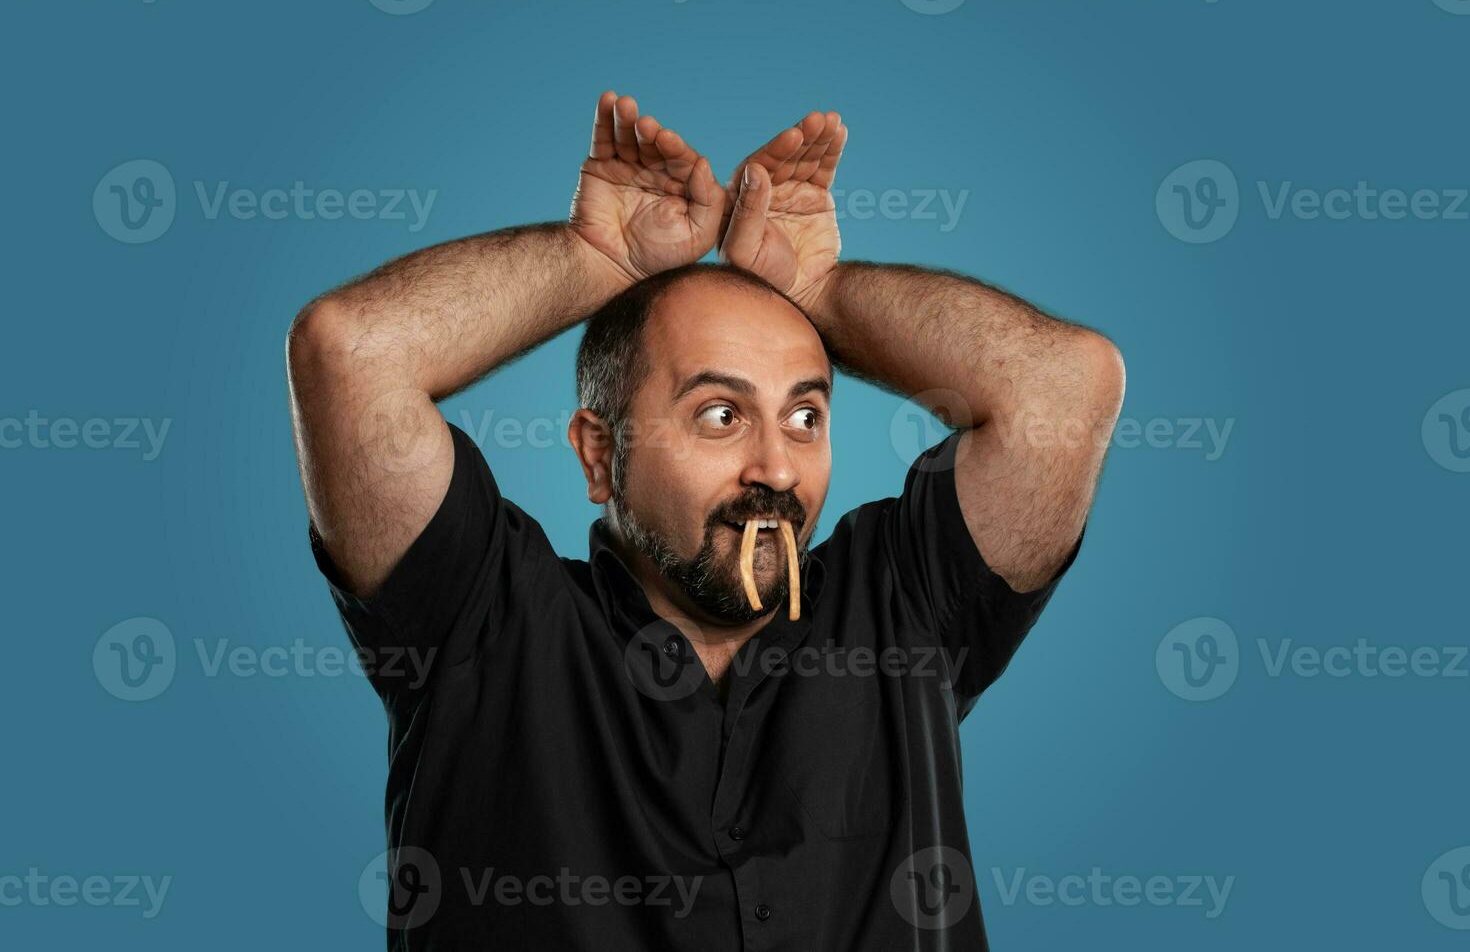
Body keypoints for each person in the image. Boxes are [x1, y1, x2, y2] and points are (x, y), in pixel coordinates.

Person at [286, 89, 1125, 950]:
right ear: (597, 456)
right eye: (720, 415)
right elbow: (350, 354)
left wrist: (818, 289)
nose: (775, 468)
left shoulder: (903, 604)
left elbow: (1067, 384)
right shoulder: (483, 619)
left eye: (805, 416)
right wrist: (591, 263)